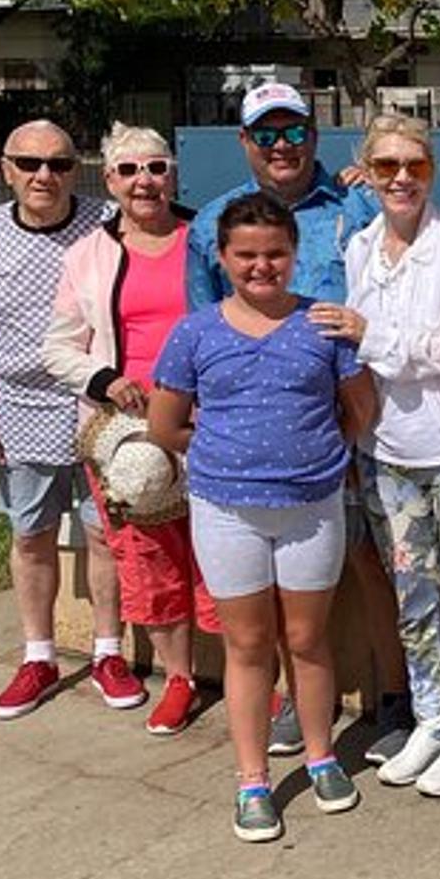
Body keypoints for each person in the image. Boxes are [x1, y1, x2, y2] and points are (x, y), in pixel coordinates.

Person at [185, 81, 410, 761]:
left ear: (315, 133)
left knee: (375, 559)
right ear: (245, 142)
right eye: (267, 134)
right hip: (270, 437)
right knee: (274, 580)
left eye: (295, 131)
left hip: (362, 410)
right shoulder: (213, 226)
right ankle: (287, 700)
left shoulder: (359, 202)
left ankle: (394, 697)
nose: (282, 147)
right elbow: (201, 333)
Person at [149, 192, 378, 843]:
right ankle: (252, 779)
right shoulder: (195, 332)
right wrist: (228, 451)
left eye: (275, 252)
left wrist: (316, 450)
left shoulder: (322, 326)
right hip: (227, 512)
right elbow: (164, 422)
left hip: (311, 508)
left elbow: (360, 408)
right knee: (249, 645)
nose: (261, 266)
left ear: (293, 254)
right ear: (222, 257)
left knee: (307, 638)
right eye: (246, 254)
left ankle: (322, 755)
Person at [309, 114, 440, 799]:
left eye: (415, 166)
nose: (401, 178)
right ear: (366, 169)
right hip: (388, 450)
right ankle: (431, 717)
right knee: (415, 599)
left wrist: (378, 336)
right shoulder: (361, 246)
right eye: (387, 165)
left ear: (433, 172)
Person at [0, 120, 142, 720]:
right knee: (30, 537)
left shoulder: (107, 220)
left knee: (107, 535)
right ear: (6, 169)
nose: (43, 176)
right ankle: (38, 655)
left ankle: (109, 652)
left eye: (57, 163)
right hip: (19, 413)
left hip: (101, 410)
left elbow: (175, 217)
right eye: (29, 163)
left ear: (75, 170)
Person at [43, 123, 217, 735]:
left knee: (224, 551)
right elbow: (59, 348)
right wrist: (105, 379)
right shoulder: (87, 255)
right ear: (110, 182)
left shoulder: (209, 238)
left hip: (208, 416)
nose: (145, 181)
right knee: (151, 556)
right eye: (129, 170)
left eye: (156, 167)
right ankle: (178, 678)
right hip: (127, 434)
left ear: (173, 174)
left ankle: (253, 677)